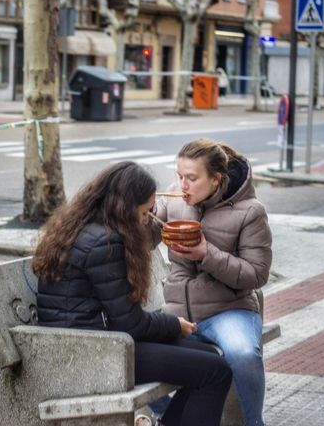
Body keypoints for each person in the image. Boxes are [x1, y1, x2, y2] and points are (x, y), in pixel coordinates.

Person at [34, 161, 232, 426]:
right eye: (145, 210)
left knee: (209, 355)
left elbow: (123, 319)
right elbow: (130, 323)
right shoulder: (105, 243)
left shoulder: (82, 226)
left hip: (90, 342)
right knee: (215, 372)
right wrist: (174, 325)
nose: (148, 218)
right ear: (125, 206)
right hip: (93, 354)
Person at [154, 138, 272, 426]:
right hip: (178, 313)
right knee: (132, 348)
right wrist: (140, 216)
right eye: (179, 176)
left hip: (229, 310)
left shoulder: (250, 211)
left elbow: (257, 275)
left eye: (192, 178)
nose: (183, 186)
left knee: (243, 354)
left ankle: (254, 423)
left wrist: (207, 254)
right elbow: (144, 239)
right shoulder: (174, 200)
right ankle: (163, 415)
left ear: (216, 179)